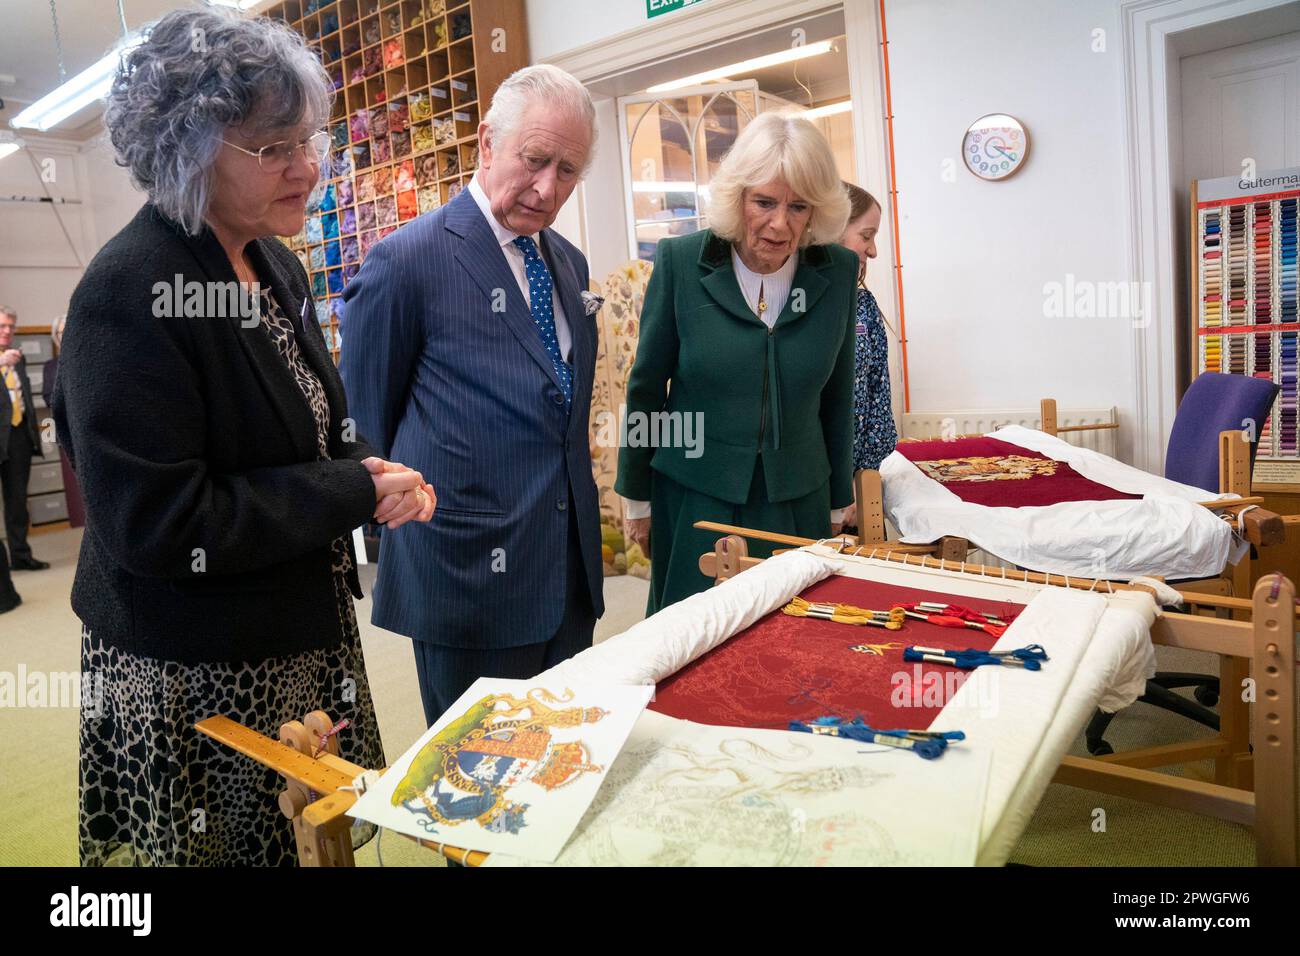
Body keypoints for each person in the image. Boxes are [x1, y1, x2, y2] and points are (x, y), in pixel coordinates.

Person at [53, 9, 434, 866]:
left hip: (290, 632)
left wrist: (365, 466)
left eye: (312, 139)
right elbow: (159, 523)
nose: (308, 168)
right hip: (199, 666)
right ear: (188, 149)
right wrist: (348, 492)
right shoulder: (129, 291)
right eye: (273, 149)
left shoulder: (272, 260)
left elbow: (304, 420)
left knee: (306, 838)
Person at [340, 64, 605, 725]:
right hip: (465, 579)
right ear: (487, 143)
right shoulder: (408, 262)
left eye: (567, 171)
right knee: (476, 790)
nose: (547, 188)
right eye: (535, 159)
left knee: (560, 767)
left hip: (566, 575)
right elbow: (362, 429)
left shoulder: (568, 264)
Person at [615, 112, 857, 614]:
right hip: (696, 493)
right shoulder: (682, 261)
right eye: (764, 202)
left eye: (798, 206)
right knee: (692, 639)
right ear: (738, 197)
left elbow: (836, 395)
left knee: (790, 641)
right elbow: (646, 387)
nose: (779, 223)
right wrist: (636, 496)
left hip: (797, 496)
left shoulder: (837, 270)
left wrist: (838, 498)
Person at [838, 183, 898, 529]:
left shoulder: (864, 308)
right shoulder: (794, 305)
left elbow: (879, 403)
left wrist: (865, 481)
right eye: (866, 235)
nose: (873, 250)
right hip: (809, 491)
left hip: (858, 494)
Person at [0, 306, 49, 572]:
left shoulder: (18, 357)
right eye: (2, 326)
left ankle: (20, 555)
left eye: (11, 326)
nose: (7, 331)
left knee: (17, 500)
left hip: (17, 435)